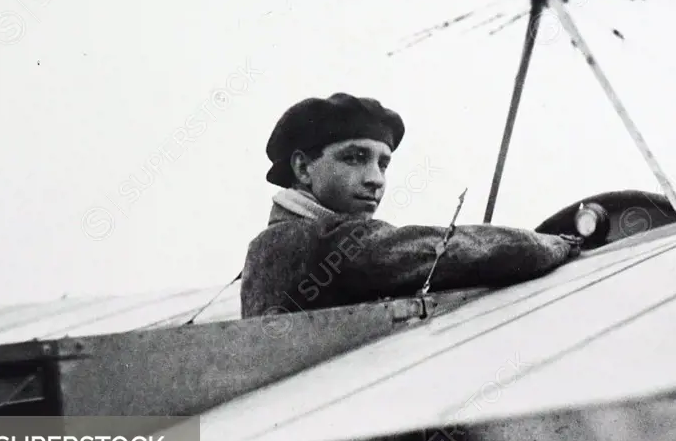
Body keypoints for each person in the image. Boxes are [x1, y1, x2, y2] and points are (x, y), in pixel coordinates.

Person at [241, 92, 580, 318]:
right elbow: (466, 251)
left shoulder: (270, 244)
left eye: (383, 164)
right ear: (303, 167)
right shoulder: (325, 242)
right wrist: (559, 242)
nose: (375, 178)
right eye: (355, 158)